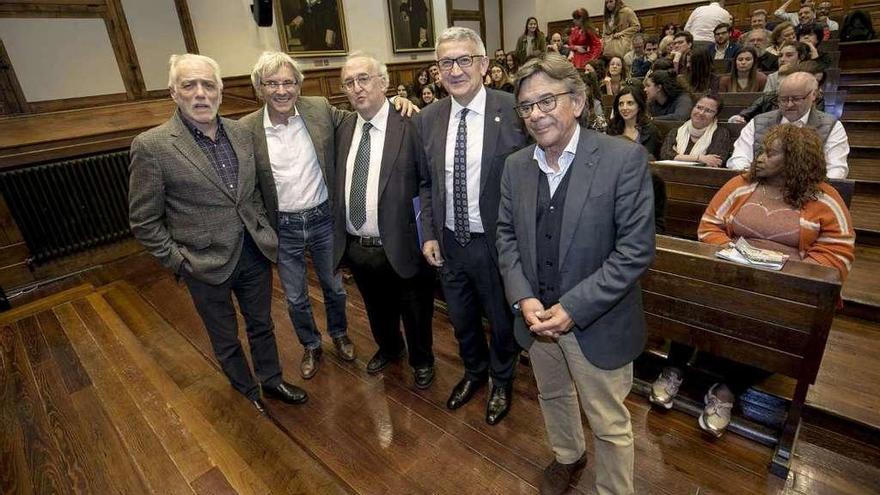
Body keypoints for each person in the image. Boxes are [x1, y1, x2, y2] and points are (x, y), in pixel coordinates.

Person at [497, 52, 655, 495]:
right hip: (536, 317)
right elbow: (505, 237)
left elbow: (634, 251)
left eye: (547, 101)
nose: (535, 114)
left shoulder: (622, 160)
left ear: (579, 102)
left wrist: (573, 307)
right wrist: (522, 298)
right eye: (527, 106)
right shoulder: (515, 166)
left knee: (608, 422)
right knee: (553, 396)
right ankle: (568, 456)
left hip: (597, 323)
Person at [128, 54, 308, 413]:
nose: (200, 94)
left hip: (253, 252)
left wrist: (263, 229)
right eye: (189, 85)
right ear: (173, 93)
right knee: (225, 336)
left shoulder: (241, 133)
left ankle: (271, 381)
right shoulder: (153, 146)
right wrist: (180, 262)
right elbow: (144, 221)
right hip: (202, 264)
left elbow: (253, 190)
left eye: (208, 85)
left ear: (220, 92)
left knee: (262, 325)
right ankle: (246, 389)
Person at [651, 124, 855, 437]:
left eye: (770, 154)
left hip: (786, 289)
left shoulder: (825, 199)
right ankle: (675, 366)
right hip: (730, 270)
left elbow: (836, 256)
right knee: (691, 292)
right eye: (760, 151)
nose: (759, 158)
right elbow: (709, 226)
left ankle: (727, 390)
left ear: (795, 161)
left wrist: (785, 275)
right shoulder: (740, 184)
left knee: (779, 324)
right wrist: (732, 253)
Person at [240, 51, 417, 380]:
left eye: (289, 82)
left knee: (335, 289)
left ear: (298, 86)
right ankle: (310, 344)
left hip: (324, 220)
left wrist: (397, 102)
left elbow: (367, 113)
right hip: (285, 227)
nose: (282, 90)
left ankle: (339, 334)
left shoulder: (319, 109)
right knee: (294, 297)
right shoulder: (246, 129)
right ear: (259, 88)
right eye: (272, 84)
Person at [417, 27, 528, 425]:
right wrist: (427, 232)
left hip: (496, 242)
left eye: (465, 59)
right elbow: (426, 182)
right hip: (449, 241)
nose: (456, 69)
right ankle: (473, 372)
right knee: (461, 318)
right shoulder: (427, 119)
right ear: (437, 70)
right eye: (447, 62)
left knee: (501, 320)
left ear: (483, 64)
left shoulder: (513, 109)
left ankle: (501, 378)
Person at [333, 52, 436, 388]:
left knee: (416, 309)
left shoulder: (410, 123)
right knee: (377, 309)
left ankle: (422, 359)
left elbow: (426, 182)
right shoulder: (344, 127)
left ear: (384, 82)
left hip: (403, 240)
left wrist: (428, 234)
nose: (357, 88)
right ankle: (390, 349)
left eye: (364, 78)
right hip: (359, 244)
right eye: (349, 82)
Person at [728, 71, 849, 178]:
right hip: (760, 187)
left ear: (813, 95)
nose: (789, 105)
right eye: (783, 99)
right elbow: (739, 159)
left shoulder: (832, 126)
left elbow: (836, 170)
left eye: (796, 99)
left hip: (809, 193)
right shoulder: (758, 122)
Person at [660, 94, 733, 166]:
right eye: (699, 107)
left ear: (715, 116)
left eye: (708, 111)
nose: (701, 113)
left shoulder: (720, 133)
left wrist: (678, 157)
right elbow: (665, 155)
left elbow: (715, 161)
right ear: (692, 108)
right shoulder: (676, 132)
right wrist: (699, 158)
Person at [607, 85, 661, 158]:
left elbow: (650, 159)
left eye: (630, 103)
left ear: (639, 106)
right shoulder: (612, 128)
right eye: (621, 104)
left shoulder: (650, 131)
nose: (624, 108)